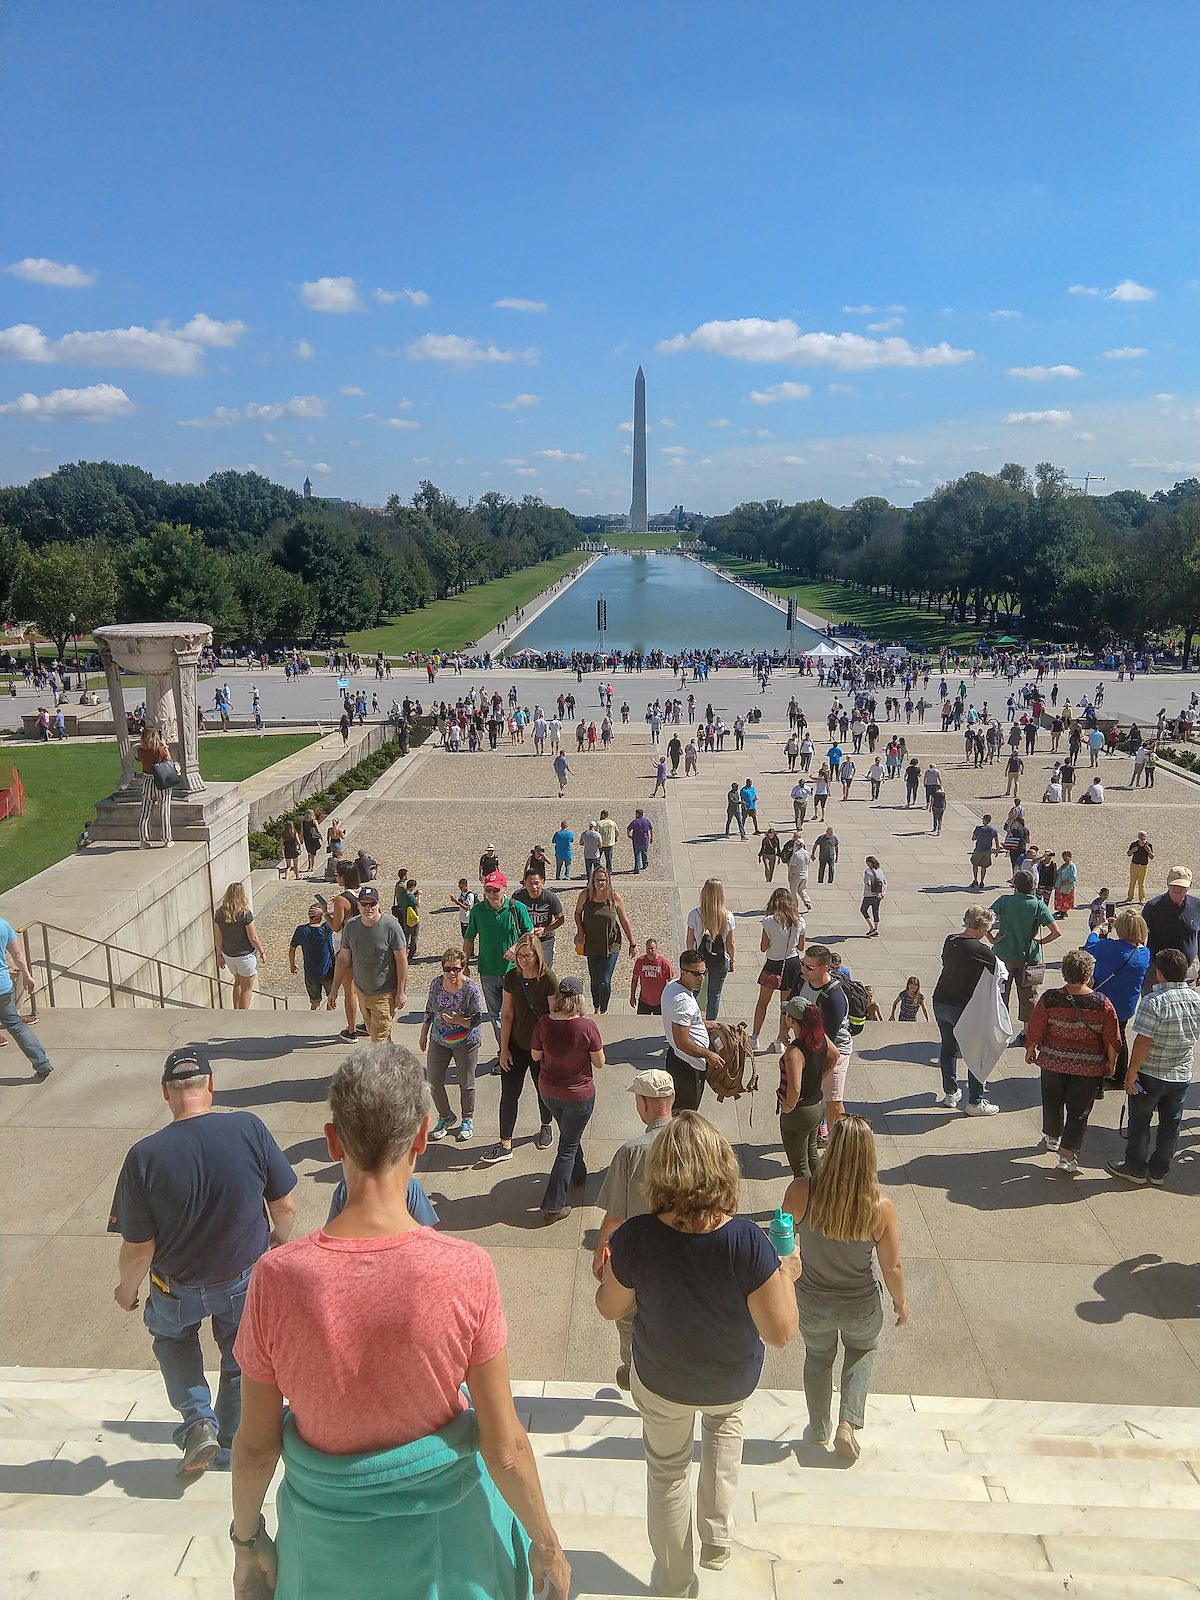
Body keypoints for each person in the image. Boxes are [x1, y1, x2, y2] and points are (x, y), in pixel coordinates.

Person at [229, 1045, 571, 1600]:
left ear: (333, 1140)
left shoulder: (274, 1277)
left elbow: (255, 1448)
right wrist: (547, 1545)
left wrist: (247, 1544)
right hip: (448, 1556)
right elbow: (503, 1446)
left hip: (324, 1554)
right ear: (421, 1136)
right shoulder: (465, 1271)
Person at [595, 1113, 801, 1592]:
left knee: (667, 1474)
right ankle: (717, 1537)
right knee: (726, 1427)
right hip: (729, 1378)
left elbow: (610, 1308)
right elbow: (782, 1332)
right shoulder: (748, 1241)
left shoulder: (637, 1236)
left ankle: (675, 1579)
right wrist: (786, 1272)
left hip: (662, 1377)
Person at [110, 1047, 297, 1476]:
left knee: (173, 1343)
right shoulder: (248, 1128)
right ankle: (228, 1443)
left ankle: (198, 1422)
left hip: (175, 1287)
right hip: (241, 1279)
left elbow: (138, 1248)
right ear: (211, 1085)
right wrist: (278, 1242)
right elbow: (284, 1205)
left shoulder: (144, 1156)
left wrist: (126, 1291)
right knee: (238, 1361)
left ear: (165, 1092)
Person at [781, 1116, 909, 1463]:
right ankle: (848, 1424)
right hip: (861, 1303)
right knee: (862, 1352)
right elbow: (892, 1266)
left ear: (830, 1148)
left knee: (818, 1358)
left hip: (811, 1300)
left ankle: (818, 1426)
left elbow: (781, 1244)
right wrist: (901, 1303)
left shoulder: (800, 1191)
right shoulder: (880, 1206)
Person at [591, 1067, 676, 1390]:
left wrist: (600, 1249)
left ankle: (633, 1369)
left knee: (629, 1318)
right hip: (685, 1254)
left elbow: (616, 1213)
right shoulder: (695, 1142)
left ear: (643, 1103)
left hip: (641, 1256)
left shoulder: (632, 1151)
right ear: (672, 1098)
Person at [1107, 947, 1200, 1186]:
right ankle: (1160, 1170)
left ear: (1159, 974)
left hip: (1150, 1074)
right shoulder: (1196, 1000)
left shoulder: (1153, 1001)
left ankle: (1135, 1167)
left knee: (1140, 1122)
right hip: (1180, 1074)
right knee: (1171, 1124)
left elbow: (1143, 1041)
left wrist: (1131, 1073)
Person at [1023, 947, 1118, 1178]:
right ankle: (1067, 1156)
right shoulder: (1102, 1003)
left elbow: (1036, 1026)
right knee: (1079, 1111)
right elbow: (1112, 1038)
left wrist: (1031, 1048)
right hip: (1087, 1067)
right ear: (1089, 974)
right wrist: (1111, 1064)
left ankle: (1052, 1137)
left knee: (1052, 1101)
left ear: (1065, 972)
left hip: (1053, 1062)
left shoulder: (1050, 998)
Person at [530, 976, 605, 1223]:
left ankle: (579, 1173)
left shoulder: (543, 1023)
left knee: (569, 1135)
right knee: (567, 1147)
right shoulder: (587, 1027)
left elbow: (535, 1054)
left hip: (549, 1092)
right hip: (578, 1096)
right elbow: (599, 1062)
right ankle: (553, 1205)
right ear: (580, 998)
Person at [483, 932, 556, 1165]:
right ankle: (505, 1143)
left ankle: (546, 1125)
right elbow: (506, 1014)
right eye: (520, 956)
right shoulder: (512, 977)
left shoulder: (548, 979)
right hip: (516, 1044)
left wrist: (549, 1050)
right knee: (509, 1094)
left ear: (537, 954)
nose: (524, 960)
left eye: (528, 956)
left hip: (540, 1048)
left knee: (542, 1090)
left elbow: (553, 1017)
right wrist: (503, 1049)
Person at [931, 906, 1001, 1114]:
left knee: (948, 1048)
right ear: (980, 926)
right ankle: (975, 1101)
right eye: (987, 928)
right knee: (975, 1052)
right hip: (963, 1006)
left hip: (941, 999)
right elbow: (999, 973)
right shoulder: (981, 950)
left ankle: (951, 1093)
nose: (987, 932)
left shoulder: (950, 940)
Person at [779, 945, 851, 1128]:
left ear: (825, 968)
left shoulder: (834, 998)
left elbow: (828, 1045)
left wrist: (810, 1070)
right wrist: (783, 1029)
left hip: (834, 1048)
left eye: (809, 967)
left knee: (833, 1100)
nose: (803, 970)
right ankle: (821, 1127)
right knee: (813, 1091)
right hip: (808, 1042)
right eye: (803, 964)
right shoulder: (802, 979)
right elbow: (789, 1004)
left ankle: (840, 1140)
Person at [421, 947, 486, 1144]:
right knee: (433, 1081)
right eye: (447, 968)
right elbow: (429, 1010)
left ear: (464, 968)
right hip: (439, 1039)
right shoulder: (436, 984)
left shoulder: (471, 989)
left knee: (466, 1083)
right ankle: (446, 1116)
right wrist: (424, 1033)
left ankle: (467, 1119)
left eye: (456, 969)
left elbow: (477, 1019)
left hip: (466, 1042)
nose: (451, 973)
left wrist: (459, 1020)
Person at [463, 871, 533, 1055]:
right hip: (488, 970)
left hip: (513, 971)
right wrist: (465, 963)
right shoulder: (478, 911)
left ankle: (518, 1048)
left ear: (505, 889)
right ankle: (505, 1051)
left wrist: (516, 947)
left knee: (516, 1012)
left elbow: (529, 934)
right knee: (496, 1015)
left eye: (496, 890)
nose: (492, 894)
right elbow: (469, 938)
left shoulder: (517, 908)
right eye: (488, 890)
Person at [989, 869, 1061, 1043]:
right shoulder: (1038, 904)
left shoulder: (1004, 901)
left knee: (1000, 994)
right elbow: (1057, 932)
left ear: (1015, 885)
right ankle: (1026, 1033)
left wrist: (991, 938)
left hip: (1004, 955)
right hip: (1029, 957)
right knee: (1029, 997)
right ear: (1033, 887)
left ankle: (999, 1031)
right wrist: (1041, 941)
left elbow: (983, 919)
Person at [330, 884, 408, 1042]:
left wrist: (401, 991)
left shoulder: (391, 927)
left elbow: (401, 960)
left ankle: (380, 1067)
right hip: (361, 991)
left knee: (378, 1040)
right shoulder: (351, 926)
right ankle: (391, 1063)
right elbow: (343, 958)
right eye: (364, 904)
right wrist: (334, 989)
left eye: (372, 904)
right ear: (358, 905)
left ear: (379, 904)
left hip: (383, 993)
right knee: (377, 1035)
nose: (368, 908)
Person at [1086, 908, 1151, 1082]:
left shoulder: (1110, 948)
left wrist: (1098, 928)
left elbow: (1090, 944)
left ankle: (1097, 1082)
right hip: (1125, 1005)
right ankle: (1120, 1075)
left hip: (1104, 1001)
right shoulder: (1144, 953)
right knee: (1119, 1036)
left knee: (1099, 1040)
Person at [777, 1000, 838, 1179]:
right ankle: (823, 1196)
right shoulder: (820, 1037)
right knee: (812, 1154)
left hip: (800, 1112)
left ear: (792, 1020)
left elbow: (795, 1089)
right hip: (818, 1105)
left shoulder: (793, 1052)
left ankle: (805, 1203)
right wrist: (818, 1079)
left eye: (786, 1014)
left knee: (800, 1165)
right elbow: (834, 1056)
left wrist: (788, 1107)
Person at [661, 950, 728, 1111]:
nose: (702, 978)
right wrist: (708, 1054)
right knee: (686, 1115)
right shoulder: (683, 1002)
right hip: (688, 1066)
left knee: (678, 1109)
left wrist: (703, 1023)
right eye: (697, 974)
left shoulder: (672, 986)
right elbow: (683, 1042)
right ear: (684, 973)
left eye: (704, 972)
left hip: (677, 1057)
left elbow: (682, 1021)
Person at [574, 865, 635, 1015]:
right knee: (594, 979)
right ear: (592, 880)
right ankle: (596, 1007)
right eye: (598, 880)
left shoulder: (615, 898)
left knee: (605, 980)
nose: (600, 883)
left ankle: (604, 1010)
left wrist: (632, 943)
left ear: (608, 881)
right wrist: (580, 931)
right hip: (592, 943)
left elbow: (624, 920)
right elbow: (577, 914)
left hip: (611, 944)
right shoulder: (585, 896)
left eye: (603, 880)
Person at [751, 887, 804, 1050]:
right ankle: (781, 1039)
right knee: (786, 1005)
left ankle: (755, 1037)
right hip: (793, 963)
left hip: (773, 963)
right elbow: (801, 947)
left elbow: (763, 947)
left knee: (762, 1003)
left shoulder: (768, 921)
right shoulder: (800, 921)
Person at [0, 916, 52, 1078]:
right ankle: (42, 1064)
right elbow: (17, 954)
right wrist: (27, 976)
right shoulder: (3, 924)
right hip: (3, 988)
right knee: (16, 1026)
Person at [685, 878, 737, 1021]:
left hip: (699, 959)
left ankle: (692, 1023)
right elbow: (730, 943)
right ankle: (710, 1025)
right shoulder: (728, 916)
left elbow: (690, 940)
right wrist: (732, 960)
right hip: (720, 960)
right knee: (714, 994)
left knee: (694, 991)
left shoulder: (694, 914)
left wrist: (690, 957)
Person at [214, 882, 267, 1010]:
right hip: (245, 956)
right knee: (247, 989)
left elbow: (218, 937)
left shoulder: (219, 913)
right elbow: (253, 938)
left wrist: (219, 955)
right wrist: (262, 951)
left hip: (229, 955)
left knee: (237, 982)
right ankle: (243, 1017)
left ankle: (235, 1011)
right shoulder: (245, 914)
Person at [1142, 868, 1200, 984]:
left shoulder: (1197, 905)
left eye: (1182, 886)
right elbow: (1139, 937)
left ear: (1189, 886)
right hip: (1158, 973)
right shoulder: (1153, 907)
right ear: (1167, 884)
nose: (1177, 888)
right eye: (1174, 884)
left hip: (1187, 973)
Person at [514, 867, 565, 970]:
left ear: (543, 882)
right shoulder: (518, 897)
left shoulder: (550, 897)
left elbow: (560, 919)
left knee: (544, 969)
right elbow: (512, 917)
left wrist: (546, 929)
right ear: (524, 883)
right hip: (525, 940)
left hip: (545, 940)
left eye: (537, 883)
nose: (534, 887)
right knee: (524, 969)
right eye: (530, 883)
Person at [289, 902, 335, 1010]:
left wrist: (292, 964)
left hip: (310, 974)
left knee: (315, 1003)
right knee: (331, 1000)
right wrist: (326, 912)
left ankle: (314, 1021)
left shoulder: (301, 930)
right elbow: (340, 914)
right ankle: (329, 1022)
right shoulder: (326, 929)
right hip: (327, 972)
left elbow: (292, 949)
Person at [135, 725, 174, 847]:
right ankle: (167, 839)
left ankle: (143, 840)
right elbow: (168, 759)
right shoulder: (159, 750)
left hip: (147, 782)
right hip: (160, 781)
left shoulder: (140, 751)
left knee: (145, 812)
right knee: (164, 810)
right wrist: (164, 745)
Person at [630, 937, 674, 1015]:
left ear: (656, 949)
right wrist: (632, 996)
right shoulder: (640, 961)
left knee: (659, 1025)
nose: (650, 951)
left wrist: (670, 1000)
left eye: (652, 949)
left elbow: (671, 983)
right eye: (648, 949)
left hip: (660, 1002)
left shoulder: (665, 963)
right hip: (644, 1001)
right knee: (642, 1024)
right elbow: (635, 979)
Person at [970, 814, 1000, 892]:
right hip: (987, 850)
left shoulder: (978, 828)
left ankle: (975, 880)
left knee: (975, 864)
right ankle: (982, 882)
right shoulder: (993, 829)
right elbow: (997, 841)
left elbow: (973, 838)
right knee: (984, 866)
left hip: (979, 849)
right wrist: (997, 850)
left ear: (984, 820)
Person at [785, 831, 813, 911]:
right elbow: (808, 863)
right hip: (805, 875)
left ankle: (795, 908)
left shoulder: (795, 855)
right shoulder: (807, 853)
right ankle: (807, 901)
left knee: (793, 892)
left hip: (796, 876)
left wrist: (789, 875)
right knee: (802, 890)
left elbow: (792, 866)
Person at [860, 856, 886, 936]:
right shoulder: (879, 870)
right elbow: (884, 882)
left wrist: (874, 893)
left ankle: (872, 928)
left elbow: (868, 884)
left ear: (870, 863)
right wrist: (883, 892)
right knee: (876, 911)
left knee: (863, 910)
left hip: (869, 895)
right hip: (879, 895)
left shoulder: (868, 872)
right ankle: (876, 928)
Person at [1126, 833, 1155, 904]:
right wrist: (1133, 850)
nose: (1143, 837)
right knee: (1132, 882)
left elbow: (1152, 857)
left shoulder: (1149, 845)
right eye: (1141, 836)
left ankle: (1142, 898)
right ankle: (1130, 897)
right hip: (1134, 865)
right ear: (1138, 836)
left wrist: (1149, 851)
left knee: (1141, 883)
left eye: (1144, 836)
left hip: (1143, 866)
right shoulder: (1134, 844)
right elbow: (1128, 854)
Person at [628, 807, 654, 874]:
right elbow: (651, 829)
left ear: (638, 814)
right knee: (644, 852)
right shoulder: (646, 821)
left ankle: (637, 868)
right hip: (645, 840)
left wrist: (629, 835)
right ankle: (645, 864)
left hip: (636, 840)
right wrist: (651, 838)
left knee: (637, 854)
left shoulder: (635, 821)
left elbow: (628, 828)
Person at [1054, 851, 1078, 919]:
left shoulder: (1072, 866)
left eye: (1066, 857)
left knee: (1065, 900)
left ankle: (1063, 913)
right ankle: (1061, 910)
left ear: (1070, 857)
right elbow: (1058, 872)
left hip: (1066, 886)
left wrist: (1064, 883)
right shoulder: (1063, 865)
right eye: (1063, 857)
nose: (1065, 859)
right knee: (1059, 899)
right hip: (1059, 885)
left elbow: (1073, 877)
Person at [301, 809, 323, 873]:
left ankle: (309, 867)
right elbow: (318, 830)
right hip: (313, 838)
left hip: (306, 838)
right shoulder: (314, 821)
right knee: (313, 853)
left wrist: (301, 838)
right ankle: (312, 867)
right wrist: (321, 836)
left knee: (309, 852)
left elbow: (302, 831)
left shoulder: (303, 822)